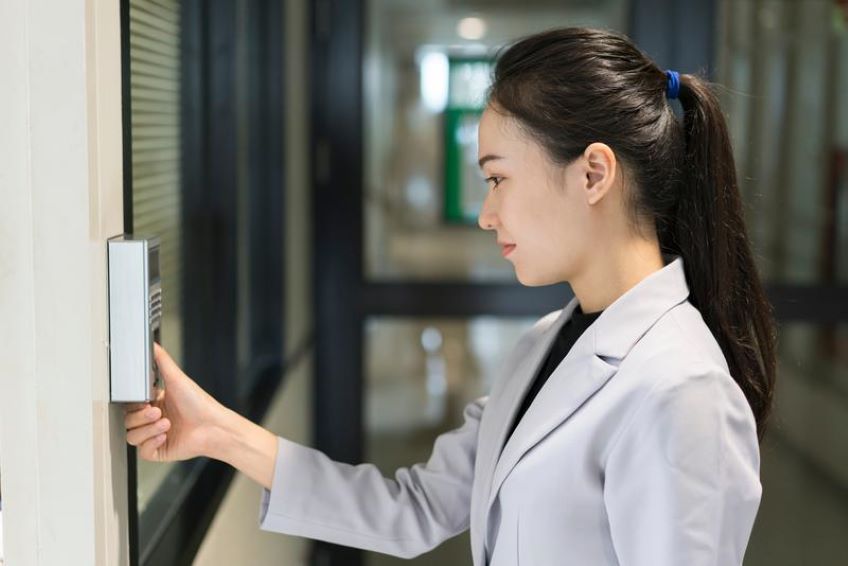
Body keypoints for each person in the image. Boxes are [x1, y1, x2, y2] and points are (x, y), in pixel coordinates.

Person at [125, 27, 776, 565]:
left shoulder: (681, 390)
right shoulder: (546, 345)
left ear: (593, 173)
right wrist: (217, 432)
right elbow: (413, 509)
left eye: (498, 179)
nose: (487, 214)